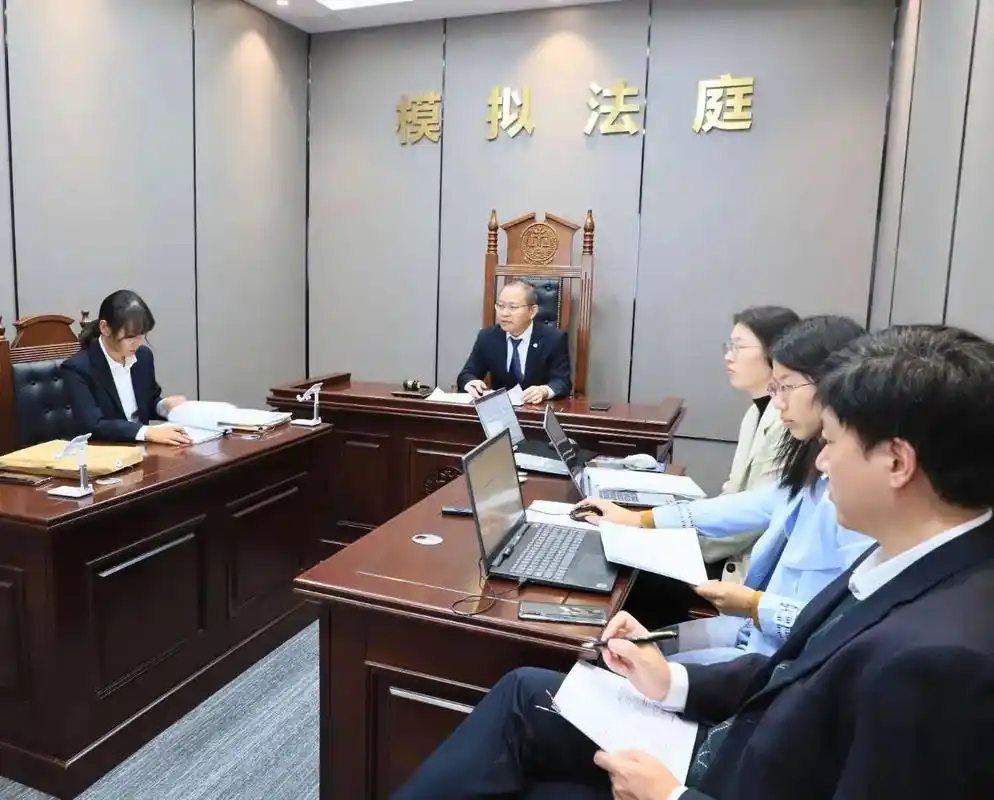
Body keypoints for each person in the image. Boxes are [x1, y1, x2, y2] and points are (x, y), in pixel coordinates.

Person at [393, 324, 994, 800]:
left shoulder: (943, 661)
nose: (821, 462)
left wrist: (672, 797)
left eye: (833, 443)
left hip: (718, 777)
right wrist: (671, 681)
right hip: (726, 742)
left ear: (897, 463)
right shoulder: (907, 559)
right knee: (524, 693)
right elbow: (785, 673)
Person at [582, 316, 872, 660]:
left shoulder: (855, 496)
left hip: (772, 656)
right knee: (628, 641)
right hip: (751, 630)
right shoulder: (808, 459)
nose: (779, 402)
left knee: (626, 647)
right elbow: (748, 504)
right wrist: (641, 519)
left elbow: (844, 628)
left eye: (786, 386)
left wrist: (755, 605)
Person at [706, 305, 799, 582]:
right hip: (728, 549)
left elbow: (757, 517)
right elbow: (733, 494)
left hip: (750, 568)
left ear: (775, 352)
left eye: (739, 347)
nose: (728, 356)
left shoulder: (788, 422)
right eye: (729, 346)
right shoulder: (754, 413)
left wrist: (682, 543)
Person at [62, 290, 191, 445]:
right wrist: (146, 432)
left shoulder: (143, 356)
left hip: (143, 448)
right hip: (107, 451)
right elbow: (94, 425)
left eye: (141, 335)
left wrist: (163, 406)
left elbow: (147, 401)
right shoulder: (77, 369)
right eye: (130, 337)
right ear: (105, 328)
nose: (138, 343)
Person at [457, 279, 572, 403]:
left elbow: (563, 381)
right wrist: (470, 382)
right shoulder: (488, 337)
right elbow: (467, 374)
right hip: (500, 409)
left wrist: (544, 391)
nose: (504, 313)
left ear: (532, 311)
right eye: (500, 306)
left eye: (513, 307)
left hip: (536, 409)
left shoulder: (554, 338)